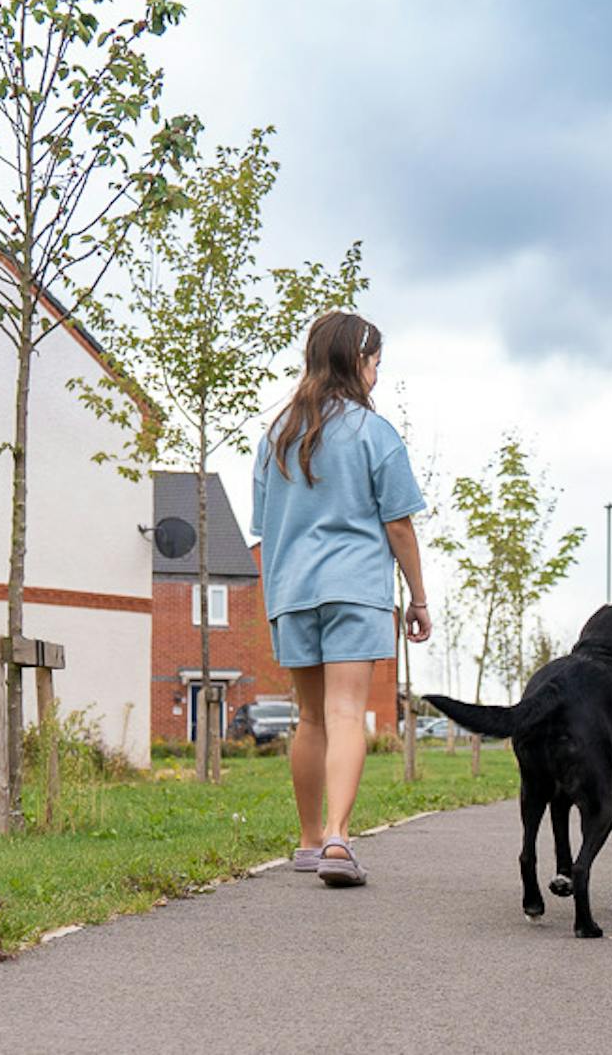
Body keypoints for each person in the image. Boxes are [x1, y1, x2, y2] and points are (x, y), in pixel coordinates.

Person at [253, 311, 432, 887]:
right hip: (355, 588)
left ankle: (307, 842)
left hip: (293, 590)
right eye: (376, 363)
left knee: (309, 718)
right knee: (346, 713)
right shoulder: (374, 433)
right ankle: (338, 837)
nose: (378, 375)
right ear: (358, 363)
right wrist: (419, 597)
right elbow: (399, 526)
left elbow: (265, 527)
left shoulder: (276, 435)